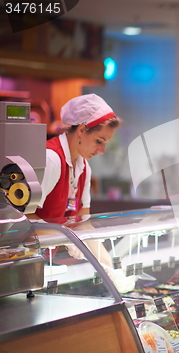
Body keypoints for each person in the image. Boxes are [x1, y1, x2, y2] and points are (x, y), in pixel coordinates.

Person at [28, 94, 121, 269]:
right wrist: (66, 237)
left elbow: (83, 224)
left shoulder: (84, 167)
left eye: (105, 144)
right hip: (22, 258)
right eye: (98, 141)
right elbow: (23, 217)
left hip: (42, 262)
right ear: (82, 130)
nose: (101, 150)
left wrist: (110, 266)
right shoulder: (51, 159)